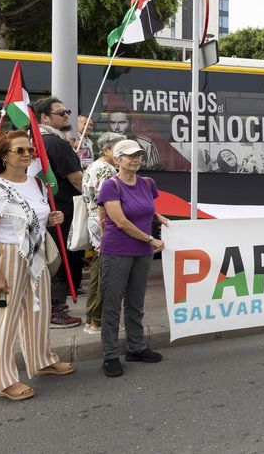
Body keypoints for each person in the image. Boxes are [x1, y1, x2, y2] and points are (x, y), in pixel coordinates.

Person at [0, 130, 75, 400]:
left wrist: (51, 219)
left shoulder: (36, 183)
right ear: (3, 155)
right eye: (21, 150)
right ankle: (3, 381)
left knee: (38, 311)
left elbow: (33, 218)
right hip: (8, 255)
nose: (28, 154)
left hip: (35, 252)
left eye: (30, 150)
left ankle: (40, 361)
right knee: (5, 319)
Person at [97, 139, 168, 378]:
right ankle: (109, 355)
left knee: (136, 302)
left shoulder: (148, 183)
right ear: (117, 160)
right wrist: (150, 239)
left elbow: (147, 208)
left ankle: (136, 347)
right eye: (129, 156)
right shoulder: (110, 185)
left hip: (142, 253)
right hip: (118, 251)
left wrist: (159, 218)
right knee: (112, 304)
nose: (135, 159)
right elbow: (121, 221)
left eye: (138, 154)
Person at [32, 96, 83, 329]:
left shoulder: (40, 140)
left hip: (49, 211)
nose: (66, 116)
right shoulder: (56, 143)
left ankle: (52, 305)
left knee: (53, 260)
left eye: (67, 111)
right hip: (62, 212)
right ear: (44, 117)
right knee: (63, 260)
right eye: (61, 113)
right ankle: (54, 307)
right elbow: (77, 180)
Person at [80, 132, 125, 335]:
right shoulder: (106, 169)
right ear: (107, 149)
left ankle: (92, 319)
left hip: (95, 222)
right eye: (119, 149)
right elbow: (103, 204)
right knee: (105, 272)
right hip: (104, 223)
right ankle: (99, 320)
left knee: (99, 271)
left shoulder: (94, 166)